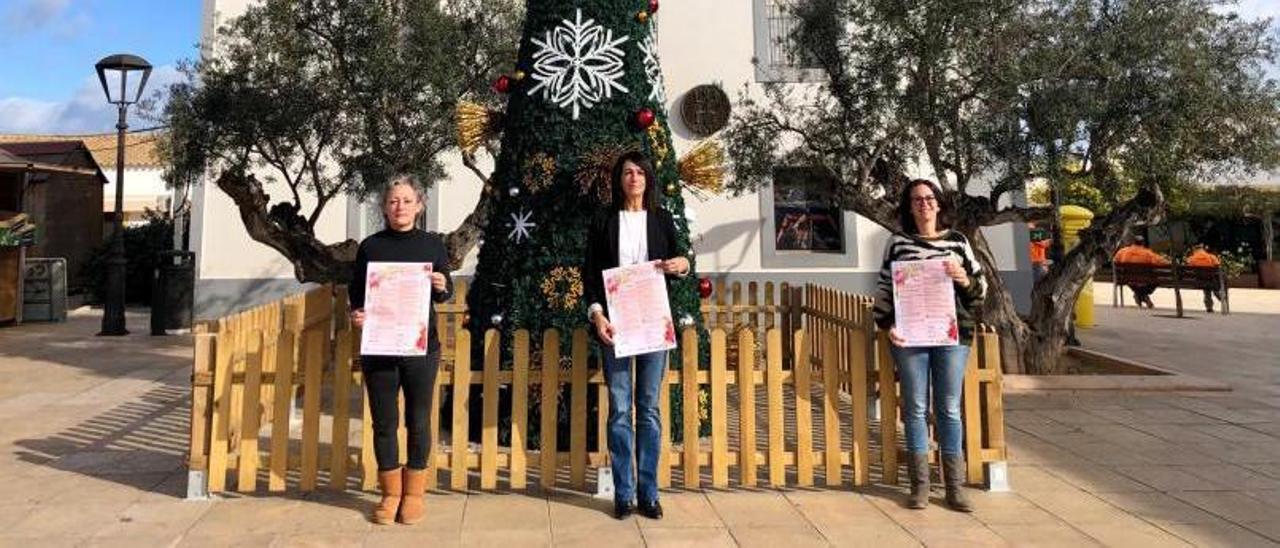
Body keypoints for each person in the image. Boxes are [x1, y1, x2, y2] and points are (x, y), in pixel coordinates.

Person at [584, 151, 691, 520]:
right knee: (619, 411)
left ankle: (649, 493)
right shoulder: (602, 220)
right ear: (619, 180)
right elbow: (590, 275)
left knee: (648, 410)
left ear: (648, 179)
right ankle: (624, 494)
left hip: (652, 324)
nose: (633, 178)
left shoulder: (661, 219)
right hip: (614, 325)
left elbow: (681, 260)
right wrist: (597, 316)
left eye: (639, 172)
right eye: (627, 173)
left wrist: (683, 265)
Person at [873, 178, 986, 512]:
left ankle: (954, 486)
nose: (923, 204)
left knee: (949, 408)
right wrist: (887, 324)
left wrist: (962, 278)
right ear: (909, 207)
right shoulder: (897, 243)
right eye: (916, 199)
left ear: (938, 203)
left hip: (952, 336)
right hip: (910, 336)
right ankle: (920, 485)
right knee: (916, 408)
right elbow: (883, 288)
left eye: (929, 198)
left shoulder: (958, 243)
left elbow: (979, 291)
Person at [349, 175, 453, 525]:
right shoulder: (370, 246)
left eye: (407, 201)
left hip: (420, 348)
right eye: (394, 201)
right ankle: (390, 493)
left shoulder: (432, 245)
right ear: (384, 207)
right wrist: (357, 314)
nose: (400, 207)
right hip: (379, 346)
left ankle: (413, 494)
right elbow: (357, 293)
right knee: (383, 423)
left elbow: (444, 290)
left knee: (418, 420)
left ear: (420, 206)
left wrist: (442, 284)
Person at [1113, 235, 1169, 308]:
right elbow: (1161, 262)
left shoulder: (1122, 251)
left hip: (1127, 280)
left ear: (1133, 242)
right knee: (1155, 280)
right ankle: (1143, 295)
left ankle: (1139, 295)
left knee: (1135, 280)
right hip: (1145, 281)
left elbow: (1114, 261)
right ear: (1143, 243)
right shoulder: (1148, 253)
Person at [1186, 243, 1223, 312]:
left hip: (1199, 281)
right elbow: (1218, 266)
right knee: (1211, 284)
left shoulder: (1192, 258)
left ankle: (1209, 306)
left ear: (1194, 250)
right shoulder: (1211, 257)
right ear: (1203, 249)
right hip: (1211, 280)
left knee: (1207, 288)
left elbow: (1188, 267)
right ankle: (1222, 299)